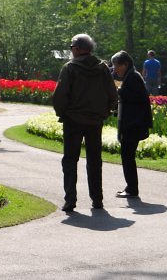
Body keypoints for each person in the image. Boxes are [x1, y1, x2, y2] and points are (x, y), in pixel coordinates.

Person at [52, 34, 118, 212]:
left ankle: (70, 200)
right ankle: (97, 199)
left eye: (72, 46)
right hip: (95, 120)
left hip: (73, 120)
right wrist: (105, 112)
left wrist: (62, 113)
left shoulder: (70, 68)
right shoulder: (102, 68)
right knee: (95, 160)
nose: (71, 49)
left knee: (70, 160)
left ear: (78, 49)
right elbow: (112, 93)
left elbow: (60, 95)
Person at [111, 51, 153, 198]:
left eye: (117, 65)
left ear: (125, 64)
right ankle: (131, 187)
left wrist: (119, 90)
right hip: (132, 123)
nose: (115, 69)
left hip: (133, 124)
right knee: (127, 156)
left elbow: (136, 98)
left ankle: (131, 189)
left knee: (127, 156)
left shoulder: (133, 77)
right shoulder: (132, 76)